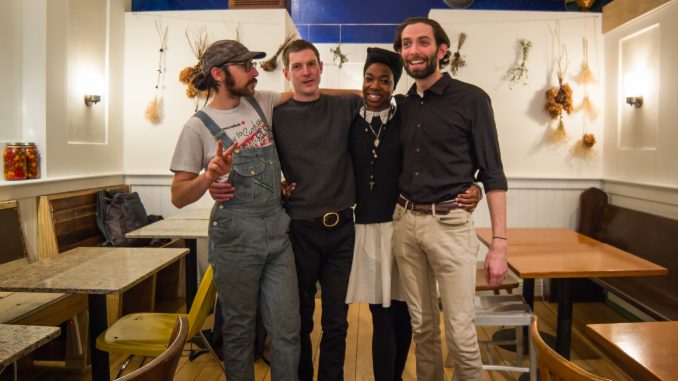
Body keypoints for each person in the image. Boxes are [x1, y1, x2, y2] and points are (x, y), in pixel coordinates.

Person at [346, 47, 481, 381]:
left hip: (404, 224)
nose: (375, 86)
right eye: (368, 78)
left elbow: (441, 155)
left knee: (408, 315)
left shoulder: (406, 116)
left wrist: (474, 186)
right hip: (366, 229)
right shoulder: (347, 121)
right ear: (360, 81)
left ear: (395, 85)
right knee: (381, 315)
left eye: (384, 80)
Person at [169, 39, 300, 381]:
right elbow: (179, 196)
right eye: (246, 66)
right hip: (235, 238)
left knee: (287, 330)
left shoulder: (260, 103)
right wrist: (207, 176)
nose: (255, 72)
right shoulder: (197, 126)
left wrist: (365, 94)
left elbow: (306, 92)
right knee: (240, 333)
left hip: (277, 231)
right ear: (218, 73)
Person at [391, 17, 509, 381]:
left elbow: (492, 173)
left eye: (422, 42)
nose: (413, 50)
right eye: (406, 44)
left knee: (460, 333)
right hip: (405, 223)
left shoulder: (472, 100)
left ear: (441, 50)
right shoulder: (401, 105)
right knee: (423, 327)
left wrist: (499, 244)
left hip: (451, 224)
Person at [271, 39, 362, 381]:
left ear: (321, 67)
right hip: (299, 230)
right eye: (297, 67)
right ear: (286, 73)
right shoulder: (276, 115)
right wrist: (276, 184)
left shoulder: (344, 106)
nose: (305, 72)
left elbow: (364, 93)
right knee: (299, 318)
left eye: (311, 65)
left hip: (342, 230)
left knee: (337, 321)